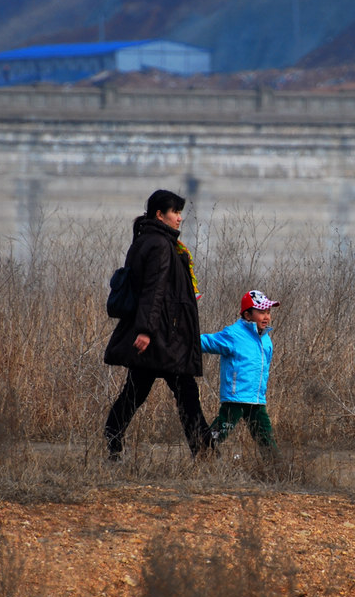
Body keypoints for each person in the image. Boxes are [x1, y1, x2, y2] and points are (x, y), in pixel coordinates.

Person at [103, 189, 211, 460]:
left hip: (160, 335)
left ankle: (112, 438)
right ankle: (206, 453)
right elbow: (154, 291)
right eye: (175, 212)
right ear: (159, 215)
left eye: (180, 212)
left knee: (135, 392)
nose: (180, 218)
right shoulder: (161, 245)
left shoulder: (146, 241)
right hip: (163, 337)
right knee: (186, 393)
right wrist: (146, 331)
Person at [199, 290, 281, 458]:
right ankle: (202, 453)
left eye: (268, 312)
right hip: (236, 397)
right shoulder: (234, 334)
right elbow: (208, 342)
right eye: (261, 312)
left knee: (265, 435)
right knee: (221, 430)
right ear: (247, 315)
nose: (266, 317)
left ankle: (276, 467)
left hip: (256, 399)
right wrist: (182, 339)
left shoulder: (265, 338)